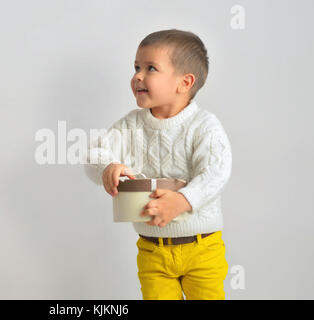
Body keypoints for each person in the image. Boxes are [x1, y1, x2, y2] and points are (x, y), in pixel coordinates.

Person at [84, 29, 233, 300]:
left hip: (203, 249)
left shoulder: (204, 126)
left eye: (150, 68)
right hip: (153, 251)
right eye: (136, 67)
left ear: (184, 82)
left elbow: (216, 172)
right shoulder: (131, 124)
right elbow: (95, 153)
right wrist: (107, 167)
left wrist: (183, 201)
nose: (137, 76)